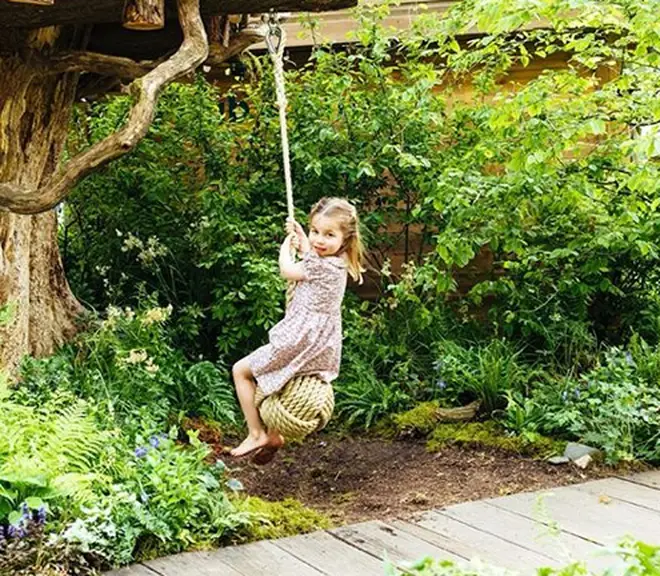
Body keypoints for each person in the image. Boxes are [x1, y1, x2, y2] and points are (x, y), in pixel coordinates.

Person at [230, 197, 365, 463]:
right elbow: (313, 257)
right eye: (316, 231)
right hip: (321, 343)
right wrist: (303, 239)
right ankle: (274, 434)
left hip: (298, 340)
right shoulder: (338, 262)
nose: (319, 240)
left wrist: (285, 248)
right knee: (285, 380)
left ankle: (256, 433)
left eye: (329, 234)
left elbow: (288, 270)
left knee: (241, 371)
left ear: (345, 239)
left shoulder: (319, 266)